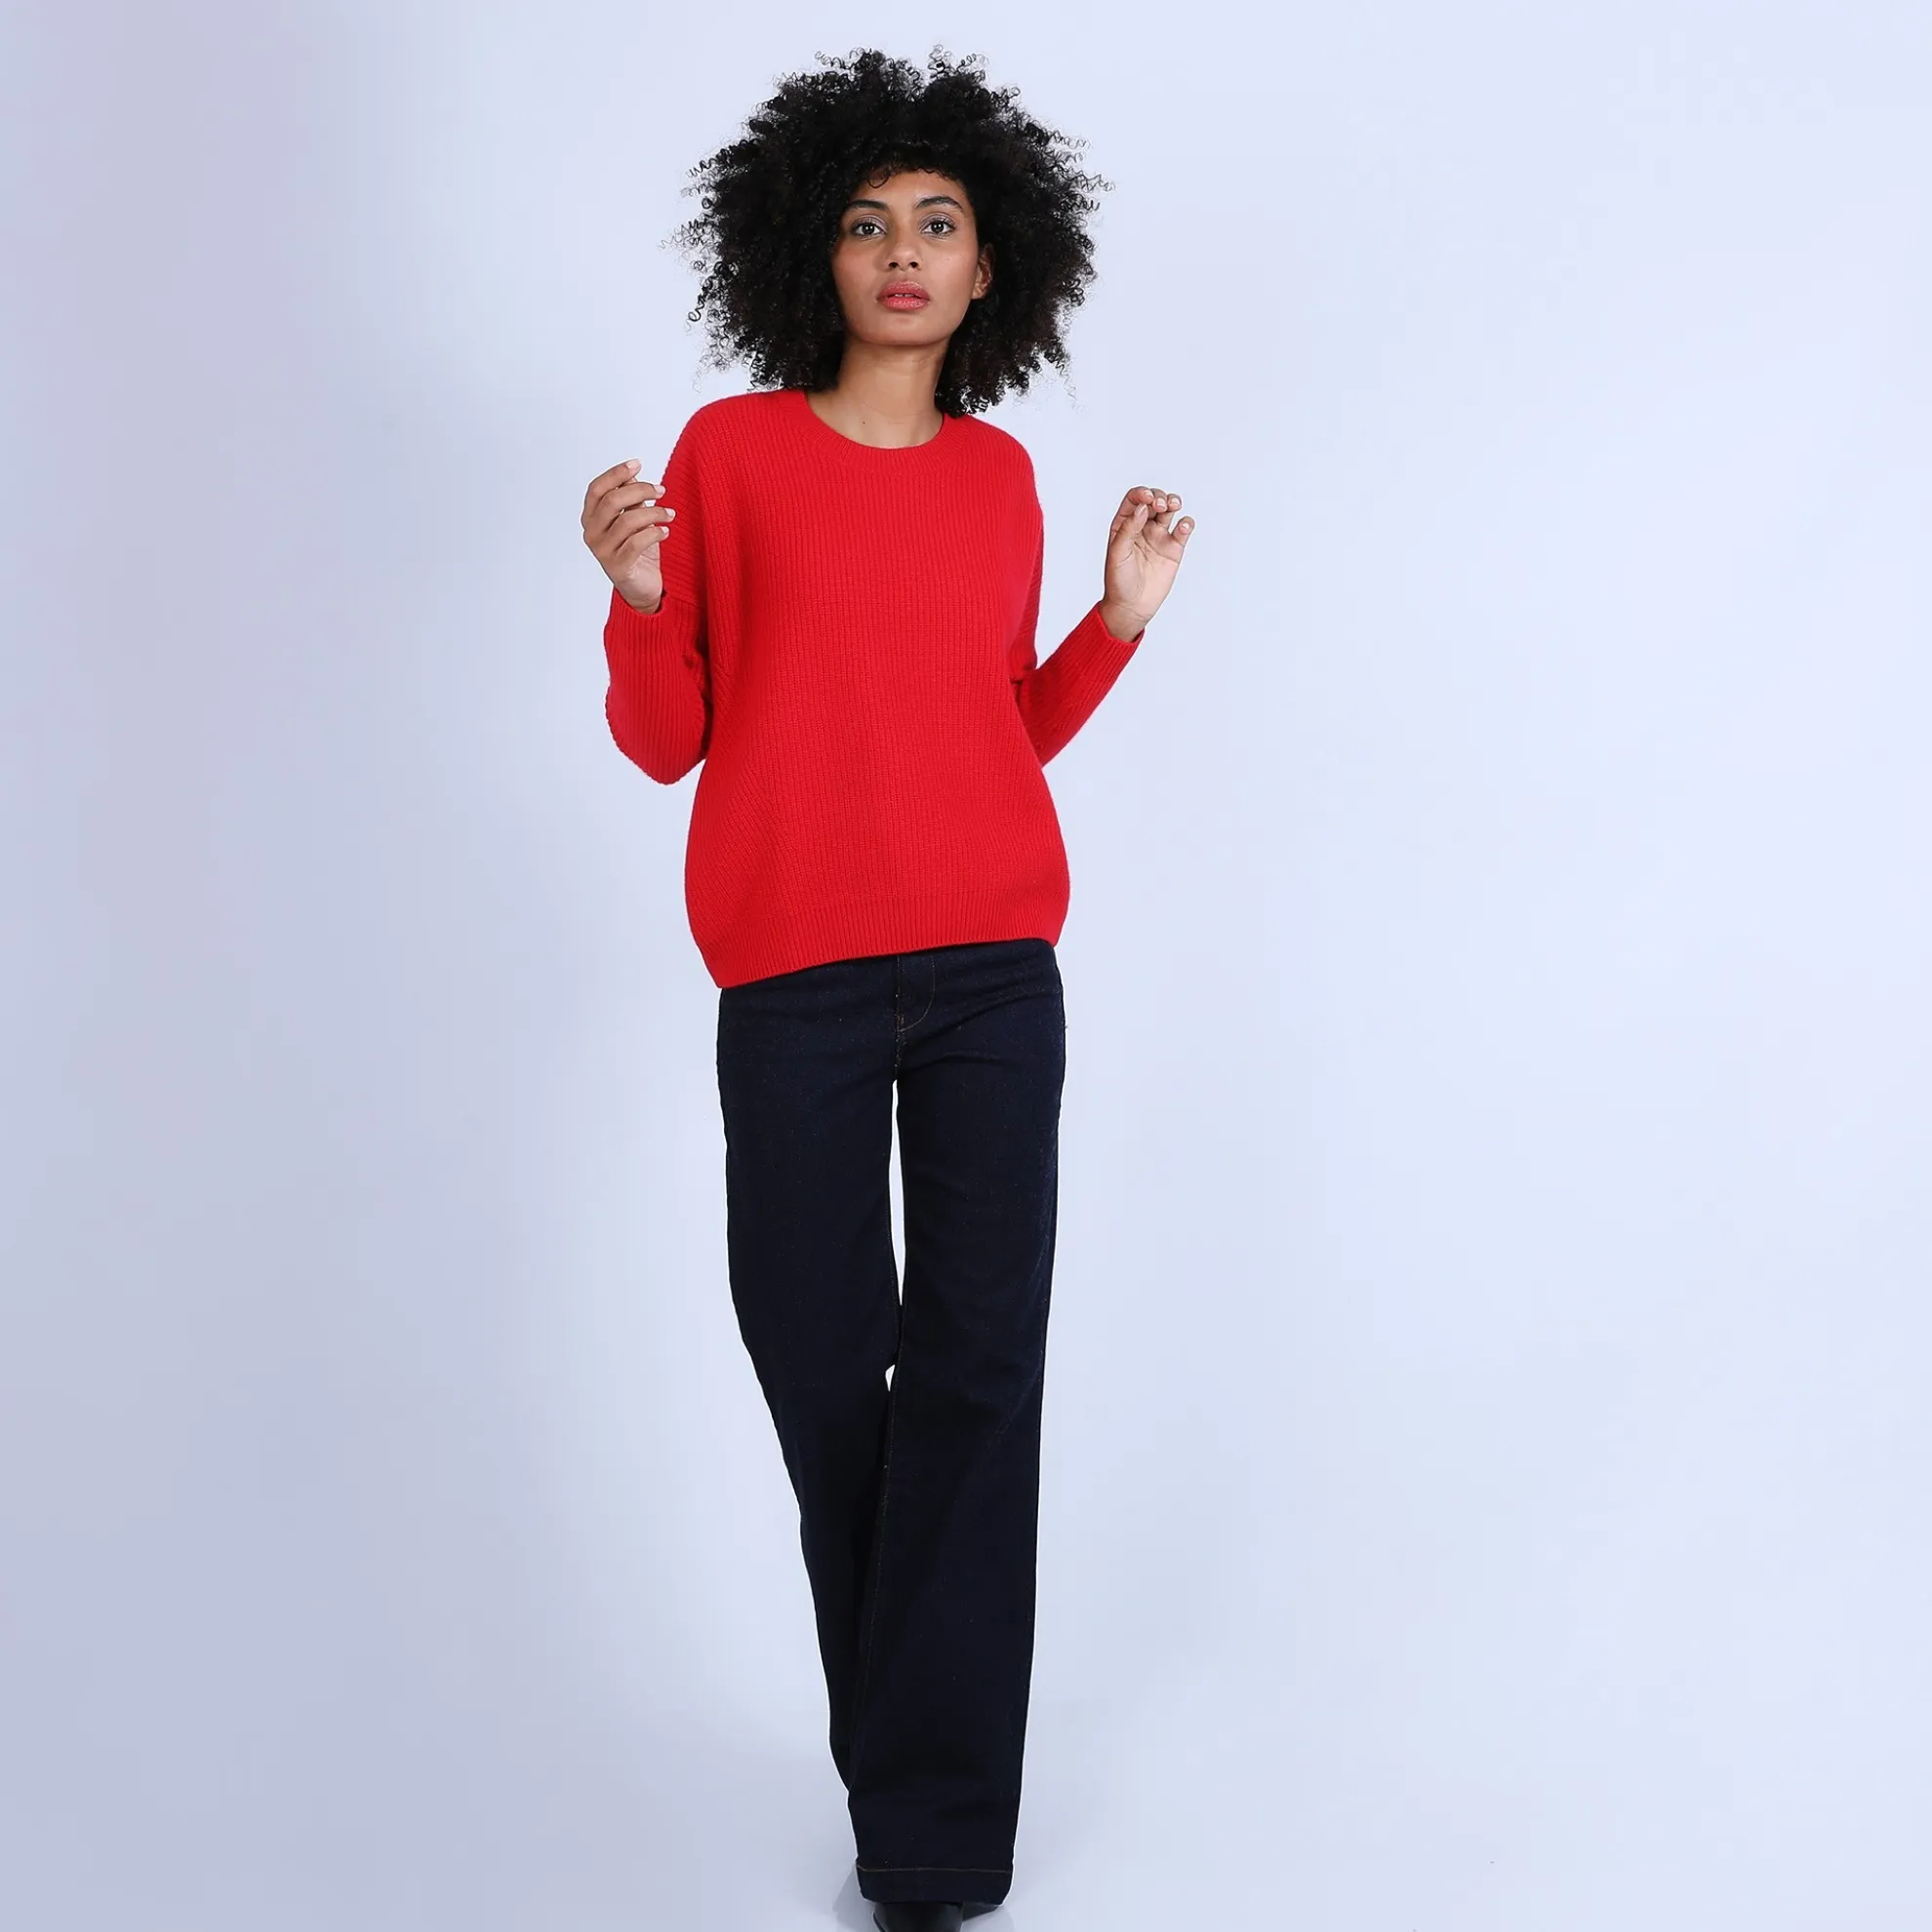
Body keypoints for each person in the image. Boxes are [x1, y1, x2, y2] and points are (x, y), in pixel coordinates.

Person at [578, 47, 1195, 1932]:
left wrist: (1112, 627)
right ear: (812, 253)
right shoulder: (728, 456)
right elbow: (667, 741)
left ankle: (927, 1847)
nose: (903, 251)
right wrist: (633, 596)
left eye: (938, 223)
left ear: (994, 266)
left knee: (980, 1372)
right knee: (817, 1352)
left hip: (998, 975)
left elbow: (987, 733)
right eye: (867, 223)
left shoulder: (1002, 477)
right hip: (797, 985)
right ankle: (913, 1750)